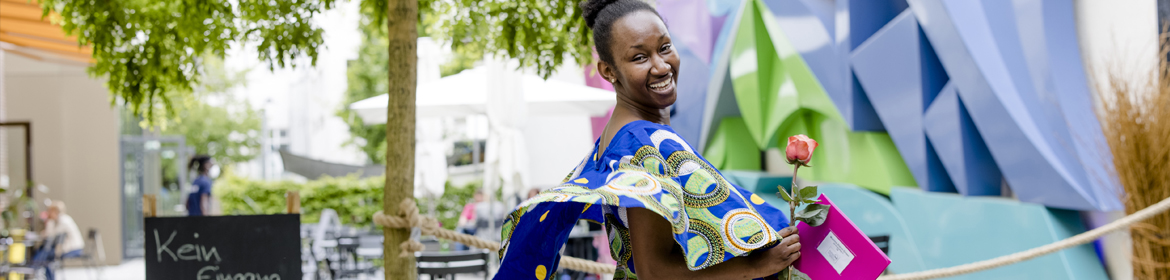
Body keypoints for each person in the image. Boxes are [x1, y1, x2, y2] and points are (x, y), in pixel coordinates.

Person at [496, 1, 801, 279]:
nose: (661, 66)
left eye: (665, 47)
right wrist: (755, 266)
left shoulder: (621, 136)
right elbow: (654, 271)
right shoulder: (641, 146)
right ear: (608, 71)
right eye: (639, 57)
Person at [33, 201, 85, 280]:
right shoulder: (58, 220)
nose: (48, 213)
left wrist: (49, 220)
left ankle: (34, 268)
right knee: (44, 252)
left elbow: (50, 234)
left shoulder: (64, 220)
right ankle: (37, 269)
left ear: (55, 211)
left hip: (74, 249)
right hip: (68, 248)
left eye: (49, 211)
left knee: (46, 255)